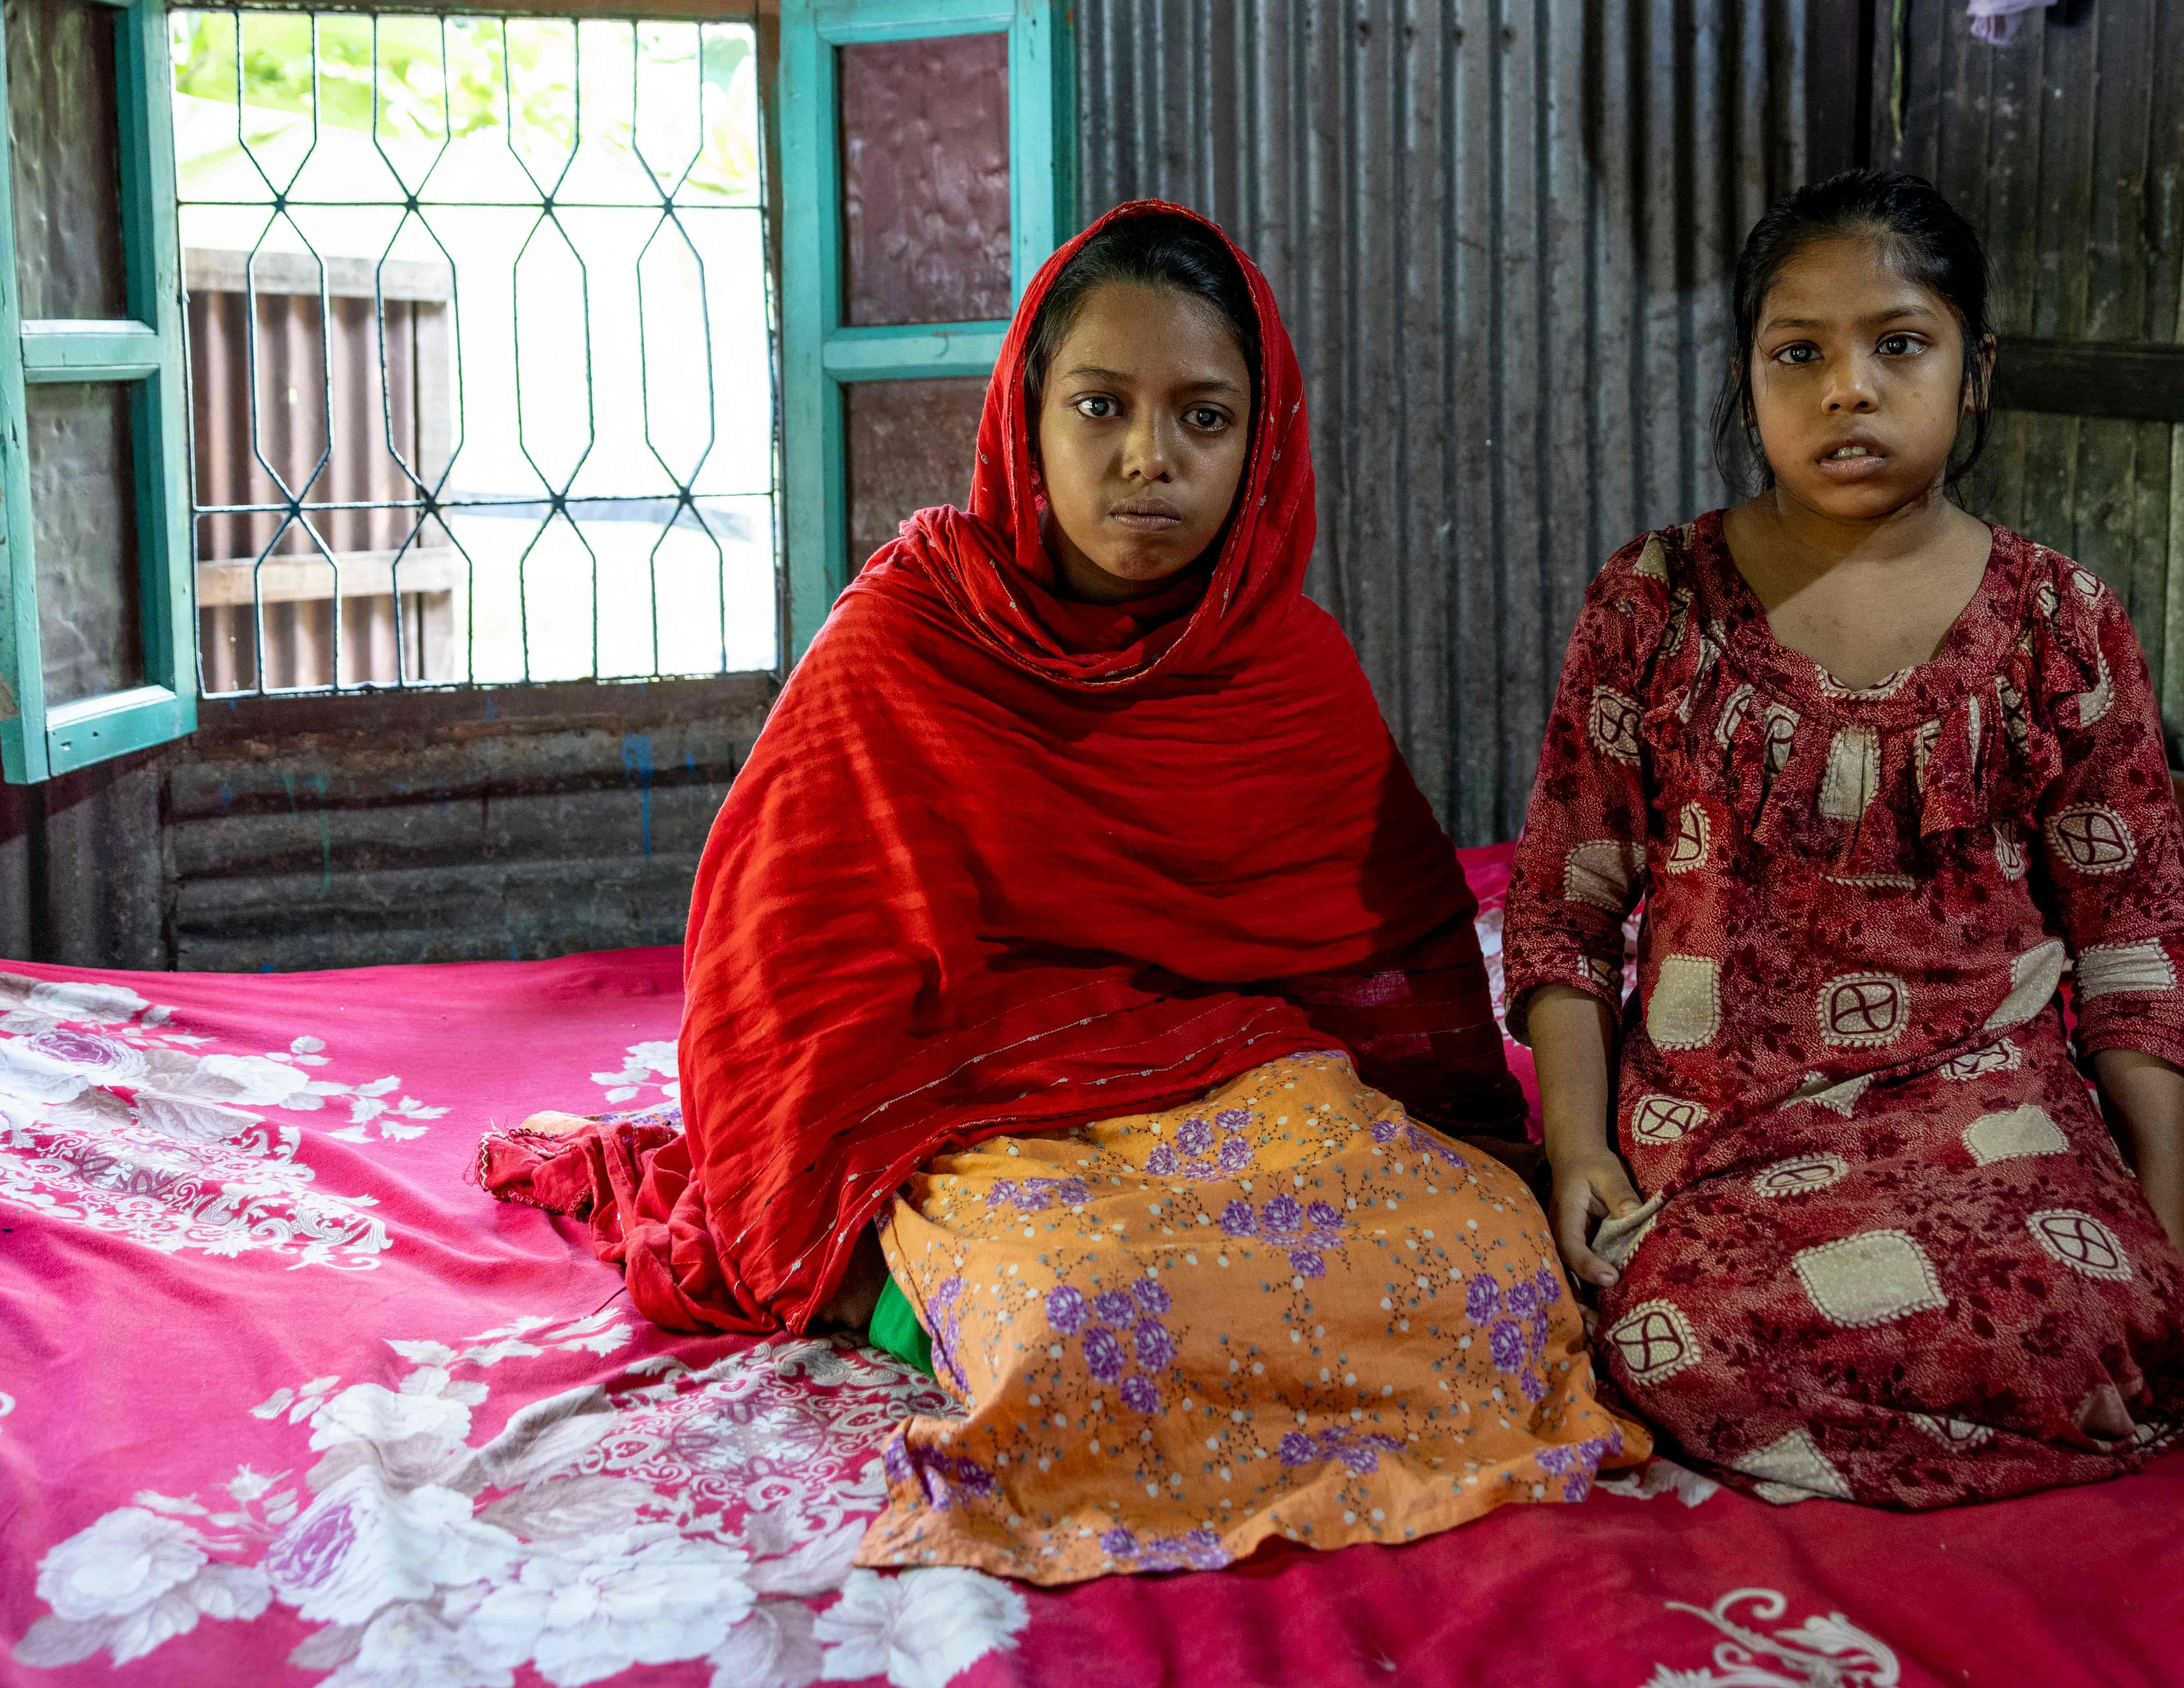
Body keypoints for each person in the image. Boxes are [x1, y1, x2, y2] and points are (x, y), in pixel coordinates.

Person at [485, 201, 1642, 1583]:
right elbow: (782, 966)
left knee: (1489, 1264)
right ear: (1028, 419)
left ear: (1260, 447)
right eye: (1101, 406)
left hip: (1240, 1078)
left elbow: (1387, 966)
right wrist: (852, 1216)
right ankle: (930, 1299)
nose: (1147, 459)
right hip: (979, 1094)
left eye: (1204, 420)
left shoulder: (1286, 673)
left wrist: (1467, 1149)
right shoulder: (910, 638)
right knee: (1094, 1312)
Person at [1505, 167, 2184, 1509]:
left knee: (2088, 1325)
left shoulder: (2061, 623)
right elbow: (1566, 906)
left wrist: (2161, 1229)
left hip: (1983, 1108)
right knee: (1689, 1333)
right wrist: (1578, 1152)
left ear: (1974, 372)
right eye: (1802, 354)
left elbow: (2138, 938)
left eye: (1900, 343)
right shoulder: (1654, 606)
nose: (1850, 388)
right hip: (1723, 1119)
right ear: (1751, 380)